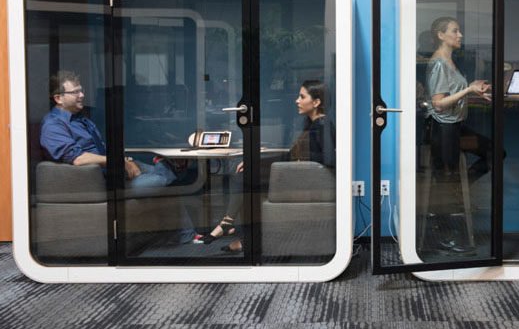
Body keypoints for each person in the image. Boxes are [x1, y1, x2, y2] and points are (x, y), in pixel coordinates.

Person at [40, 70, 198, 243]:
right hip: (106, 183)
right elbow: (77, 159)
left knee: (167, 178)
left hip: (116, 171)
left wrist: (123, 160)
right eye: (75, 92)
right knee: (164, 179)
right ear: (58, 98)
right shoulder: (53, 126)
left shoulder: (80, 119)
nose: (82, 95)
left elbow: (100, 148)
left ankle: (185, 235)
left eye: (81, 90)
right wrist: (119, 161)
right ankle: (165, 170)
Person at [197, 80, 336, 252]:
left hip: (302, 181)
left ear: (316, 102)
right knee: (239, 174)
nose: (296, 101)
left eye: (302, 96)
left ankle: (228, 225)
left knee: (243, 179)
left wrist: (302, 162)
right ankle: (237, 231)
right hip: (293, 175)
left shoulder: (321, 126)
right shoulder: (311, 124)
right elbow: (289, 156)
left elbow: (329, 159)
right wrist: (255, 162)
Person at [424, 16, 492, 255]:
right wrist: (469, 89)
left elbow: (452, 95)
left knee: (494, 153)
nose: (460, 35)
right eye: (455, 31)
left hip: (455, 126)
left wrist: (474, 93)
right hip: (442, 127)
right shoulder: (439, 63)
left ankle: (458, 192)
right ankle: (444, 237)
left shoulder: (449, 62)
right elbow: (439, 104)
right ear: (441, 35)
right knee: (445, 181)